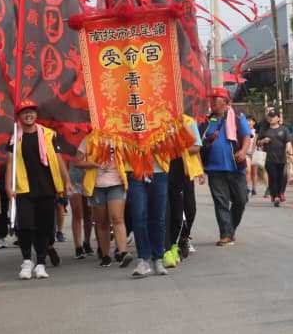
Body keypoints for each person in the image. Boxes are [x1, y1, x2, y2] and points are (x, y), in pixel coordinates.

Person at [7, 100, 70, 280]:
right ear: (19, 116)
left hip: (47, 188)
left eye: (32, 112)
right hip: (24, 188)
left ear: (36, 115)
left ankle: (41, 263)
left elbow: (58, 159)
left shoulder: (49, 135)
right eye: (25, 112)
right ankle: (27, 261)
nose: (29, 115)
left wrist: (66, 181)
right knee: (25, 226)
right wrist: (7, 187)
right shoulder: (14, 137)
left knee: (44, 227)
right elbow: (10, 163)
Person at [202, 88, 252, 246]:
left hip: (236, 167)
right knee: (221, 202)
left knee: (241, 200)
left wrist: (243, 151)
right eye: (211, 100)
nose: (212, 103)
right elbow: (199, 142)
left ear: (225, 101)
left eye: (215, 100)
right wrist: (209, 139)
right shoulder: (206, 121)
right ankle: (225, 233)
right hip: (214, 168)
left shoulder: (237, 117)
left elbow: (246, 136)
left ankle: (230, 229)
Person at [75, 133, 132, 268]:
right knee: (102, 222)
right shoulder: (88, 139)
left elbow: (129, 157)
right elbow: (77, 162)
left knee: (117, 218)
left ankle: (123, 253)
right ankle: (106, 255)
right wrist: (94, 164)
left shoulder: (119, 138)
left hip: (116, 183)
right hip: (96, 186)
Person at [165, 114, 203, 266]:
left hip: (186, 171)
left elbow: (196, 146)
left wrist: (180, 148)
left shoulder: (188, 121)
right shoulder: (159, 122)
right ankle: (172, 242)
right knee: (172, 209)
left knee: (190, 209)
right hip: (167, 171)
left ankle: (184, 236)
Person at [127, 150, 171, 278]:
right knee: (138, 215)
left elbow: (175, 140)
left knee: (158, 217)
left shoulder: (166, 127)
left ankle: (158, 258)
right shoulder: (127, 127)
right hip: (135, 170)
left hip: (159, 171)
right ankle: (143, 259)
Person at [63, 145, 94, 260]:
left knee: (89, 213)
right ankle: (78, 246)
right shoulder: (68, 137)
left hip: (90, 177)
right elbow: (64, 159)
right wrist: (65, 181)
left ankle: (87, 241)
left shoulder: (91, 136)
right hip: (73, 179)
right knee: (77, 212)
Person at [257, 108, 292, 207]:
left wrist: (289, 152)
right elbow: (258, 143)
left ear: (278, 118)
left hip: (281, 157)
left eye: (273, 117)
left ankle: (280, 193)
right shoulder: (264, 129)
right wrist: (263, 141)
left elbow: (288, 142)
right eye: (270, 117)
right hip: (269, 158)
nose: (271, 119)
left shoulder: (284, 129)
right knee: (273, 176)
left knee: (282, 177)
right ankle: (275, 196)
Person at [245, 115, 259, 197]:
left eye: (251, 120)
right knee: (248, 171)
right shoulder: (244, 131)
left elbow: (257, 142)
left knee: (254, 172)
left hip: (255, 153)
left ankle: (254, 188)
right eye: (247, 120)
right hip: (246, 154)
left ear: (254, 122)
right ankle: (246, 187)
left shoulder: (256, 131)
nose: (249, 122)